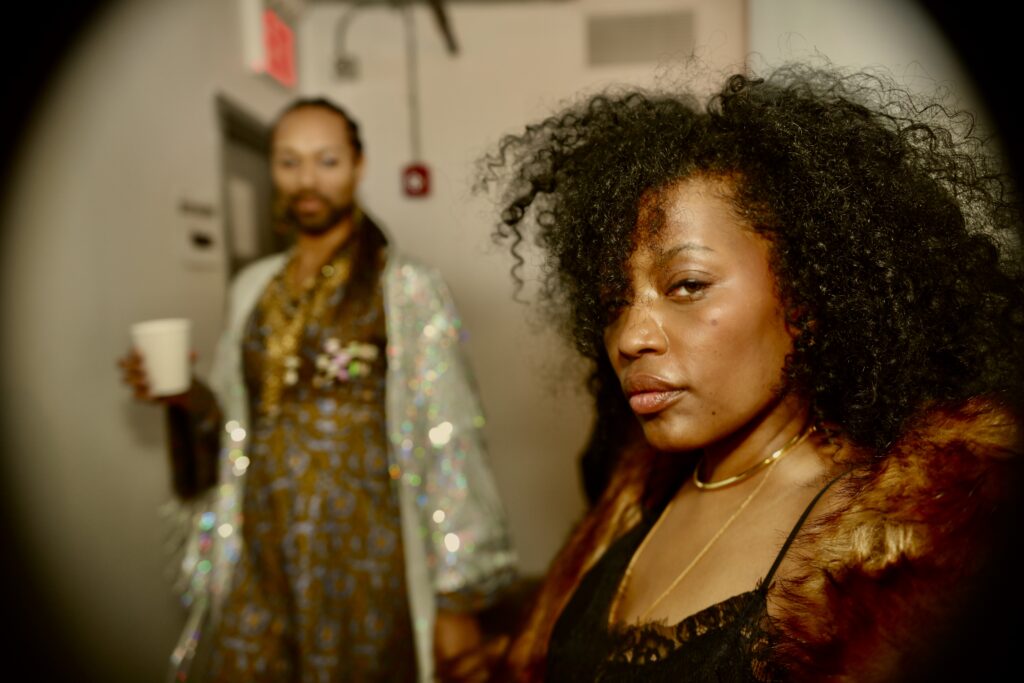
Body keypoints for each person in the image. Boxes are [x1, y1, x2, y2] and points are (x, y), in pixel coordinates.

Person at [476, 62, 1024, 681]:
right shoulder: (632, 491)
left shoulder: (898, 552)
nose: (630, 337)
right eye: (612, 304)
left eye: (687, 285)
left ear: (807, 293)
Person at [120, 97, 516, 683]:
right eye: (289, 161)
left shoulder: (405, 288)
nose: (307, 180)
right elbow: (237, 419)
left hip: (366, 560)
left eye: (326, 161)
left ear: (358, 165)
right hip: (261, 550)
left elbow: (449, 441)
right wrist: (185, 397)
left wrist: (457, 598)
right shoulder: (253, 288)